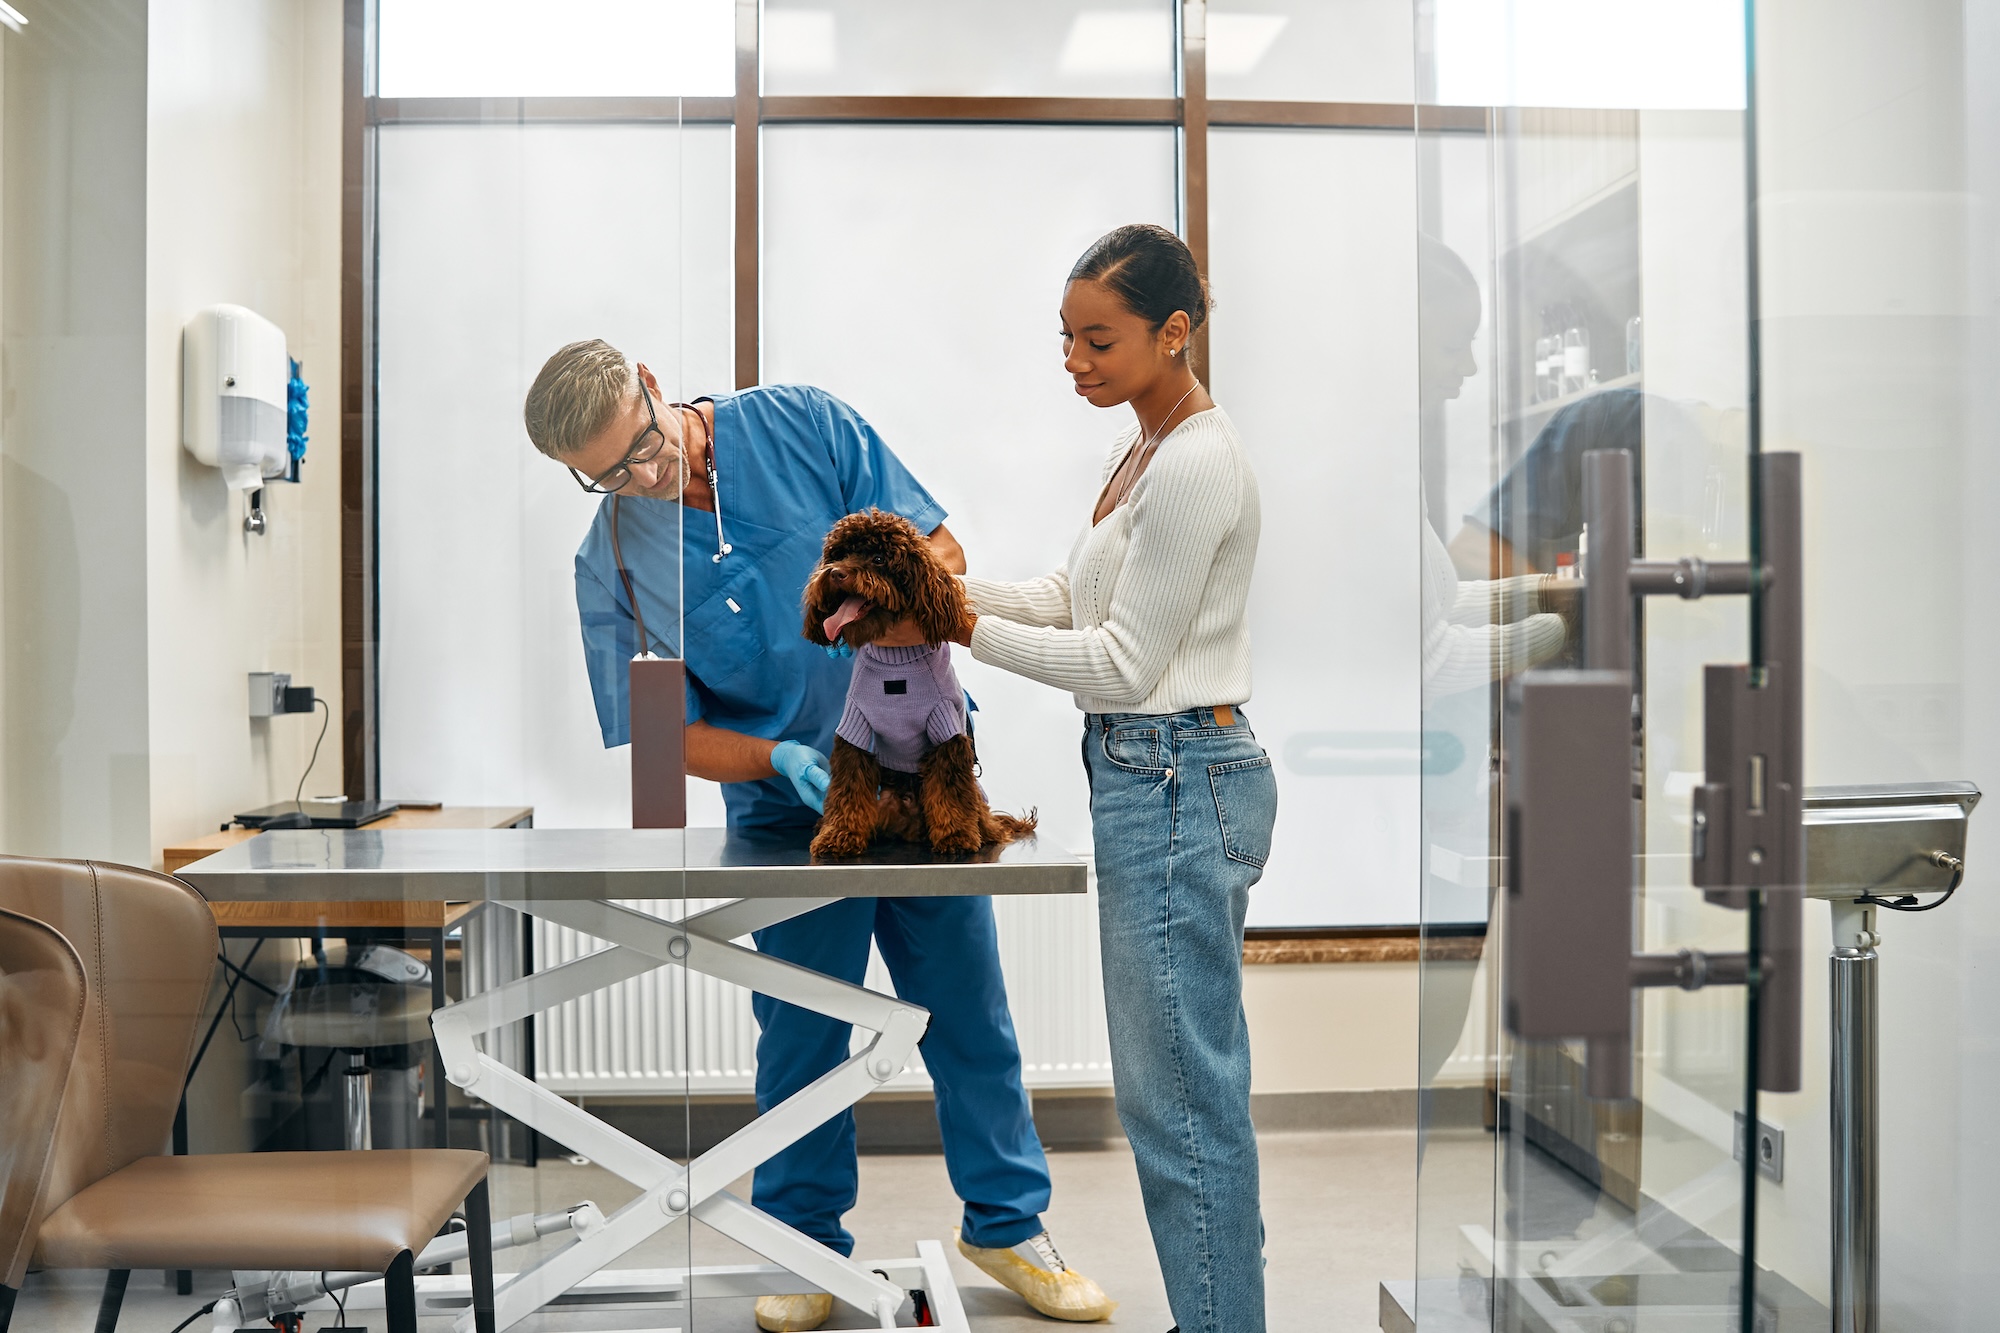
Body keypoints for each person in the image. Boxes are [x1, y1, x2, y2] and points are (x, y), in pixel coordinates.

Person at [521, 343, 1113, 1332]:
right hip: (789, 820)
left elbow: (942, 555)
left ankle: (1008, 1228)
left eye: (644, 448)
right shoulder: (612, 559)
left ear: (653, 385)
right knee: (801, 1035)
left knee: (967, 1014)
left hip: (918, 781)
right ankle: (803, 1244)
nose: (645, 479)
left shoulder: (800, 424)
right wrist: (779, 763)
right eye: (610, 473)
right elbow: (664, 742)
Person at [947, 225, 1275, 1333]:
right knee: (1174, 1094)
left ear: (1172, 332)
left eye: (1100, 339)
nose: (1075, 360)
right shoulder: (1137, 449)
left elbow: (1124, 664)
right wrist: (948, 591)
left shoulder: (1194, 461)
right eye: (1066, 338)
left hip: (1179, 772)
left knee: (1181, 1103)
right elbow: (1070, 597)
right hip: (1153, 776)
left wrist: (954, 625)